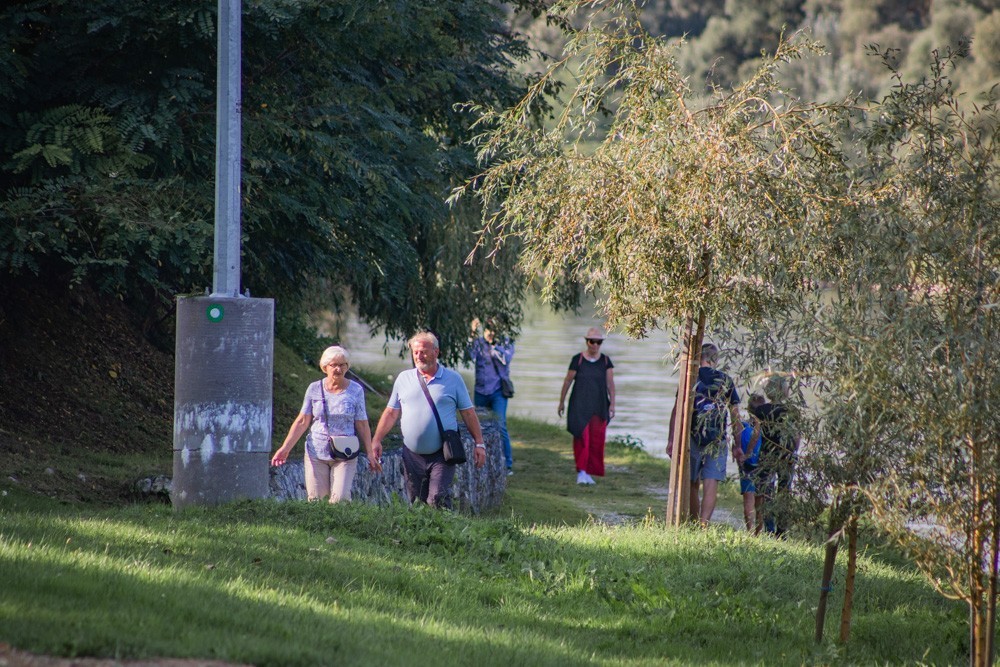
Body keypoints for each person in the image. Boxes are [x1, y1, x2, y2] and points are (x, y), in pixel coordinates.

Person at [370, 331, 486, 509]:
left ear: (436, 352)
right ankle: (423, 535)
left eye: (423, 351)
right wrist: (376, 440)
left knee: (436, 497)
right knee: (416, 501)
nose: (419, 356)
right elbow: (391, 413)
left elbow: (468, 413)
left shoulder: (453, 379)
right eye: (415, 352)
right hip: (412, 454)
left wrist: (479, 444)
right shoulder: (404, 379)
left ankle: (445, 533)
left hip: (442, 453)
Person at [271, 346, 381, 503]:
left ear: (347, 367)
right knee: (317, 501)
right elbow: (302, 421)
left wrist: (370, 453)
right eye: (333, 365)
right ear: (325, 367)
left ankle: (342, 527)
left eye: (342, 365)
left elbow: (362, 424)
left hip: (345, 452)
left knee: (340, 499)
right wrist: (285, 448)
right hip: (316, 451)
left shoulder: (356, 390)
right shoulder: (314, 388)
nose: (338, 369)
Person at [689, 342, 744, 526]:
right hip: (717, 438)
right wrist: (738, 444)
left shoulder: (691, 379)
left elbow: (677, 411)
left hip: (693, 436)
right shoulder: (725, 380)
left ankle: (693, 522)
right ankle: (703, 525)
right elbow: (735, 416)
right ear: (715, 360)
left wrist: (672, 440)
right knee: (710, 482)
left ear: (699, 358)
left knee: (692, 482)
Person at [558, 327, 616, 485]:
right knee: (581, 438)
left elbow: (610, 384)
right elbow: (567, 381)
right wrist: (561, 401)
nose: (595, 345)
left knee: (597, 440)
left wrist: (612, 405)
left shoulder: (605, 361)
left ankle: (589, 472)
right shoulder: (577, 360)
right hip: (579, 406)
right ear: (587, 342)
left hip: (599, 405)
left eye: (598, 342)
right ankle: (581, 471)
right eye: (592, 341)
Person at [750, 374, 801, 537]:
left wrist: (749, 452)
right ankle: (782, 530)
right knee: (784, 491)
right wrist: (794, 451)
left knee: (766, 491)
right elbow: (796, 436)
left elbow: (757, 434)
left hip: (767, 455)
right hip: (787, 455)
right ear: (784, 391)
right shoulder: (792, 411)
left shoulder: (761, 410)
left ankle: (769, 528)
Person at [468, 317, 515, 475]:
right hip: (480, 391)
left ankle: (507, 464)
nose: (491, 331)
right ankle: (485, 461)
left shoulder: (506, 343)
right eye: (488, 327)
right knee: (480, 427)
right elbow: (469, 356)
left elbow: (505, 359)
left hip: (497, 392)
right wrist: (472, 333)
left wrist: (494, 346)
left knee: (500, 425)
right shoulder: (478, 342)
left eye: (494, 328)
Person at [739, 393, 767, 533]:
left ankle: (749, 530)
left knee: (748, 498)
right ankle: (757, 532)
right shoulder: (766, 429)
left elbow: (736, 442)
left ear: (748, 410)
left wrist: (745, 454)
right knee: (760, 500)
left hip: (746, 465)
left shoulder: (742, 426)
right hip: (762, 464)